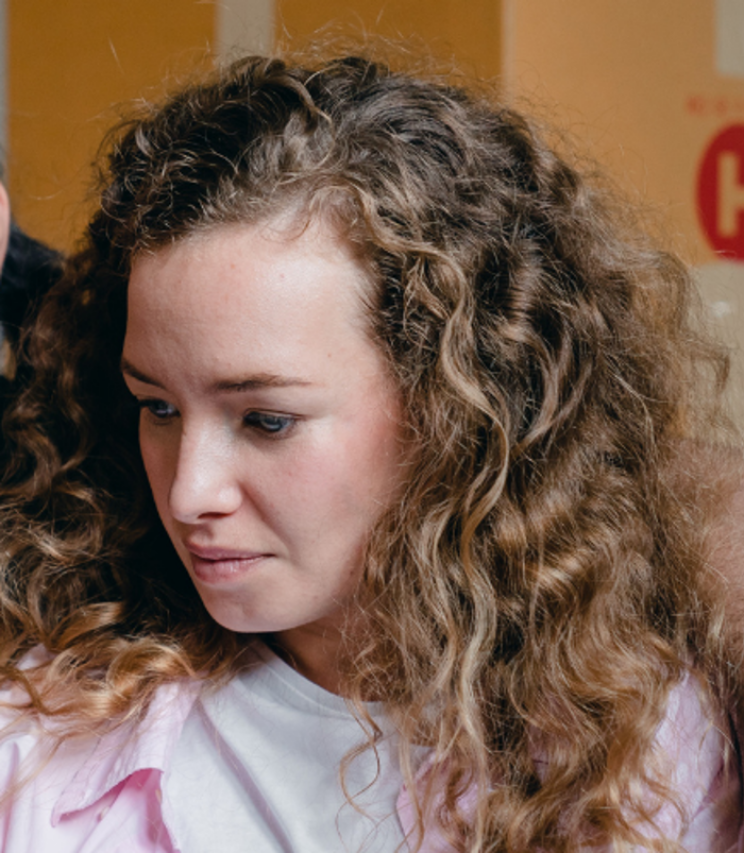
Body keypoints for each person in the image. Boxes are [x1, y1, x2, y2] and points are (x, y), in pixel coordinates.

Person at [0, 52, 740, 853]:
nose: (189, 492)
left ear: (456, 408)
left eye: (267, 420)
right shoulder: (41, 742)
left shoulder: (644, 750)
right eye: (158, 406)